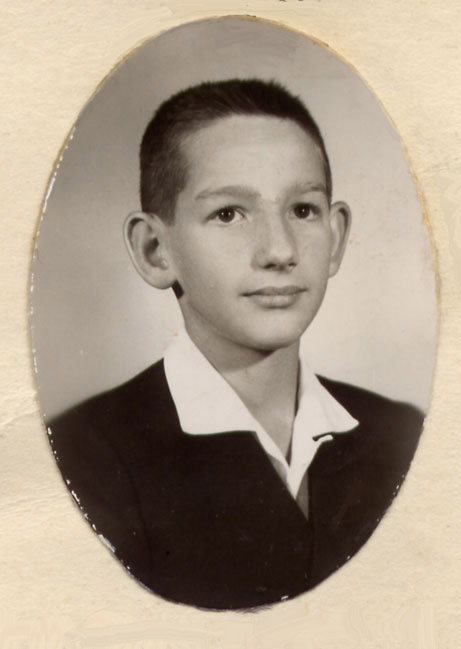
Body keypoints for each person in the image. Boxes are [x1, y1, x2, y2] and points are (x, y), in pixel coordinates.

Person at [48, 79, 423, 611]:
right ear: (155, 250)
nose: (279, 251)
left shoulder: (402, 434)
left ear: (337, 236)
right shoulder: (80, 461)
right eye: (228, 213)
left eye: (303, 210)